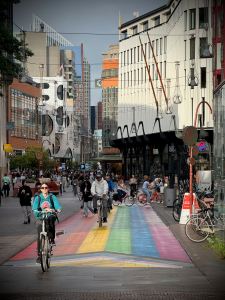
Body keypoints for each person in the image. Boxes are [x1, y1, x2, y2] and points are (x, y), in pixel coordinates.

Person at [32, 183, 62, 263]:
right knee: (39, 235)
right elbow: (34, 208)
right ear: (40, 189)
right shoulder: (38, 197)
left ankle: (51, 239)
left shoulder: (52, 197)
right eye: (43, 187)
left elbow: (57, 206)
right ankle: (39, 255)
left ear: (48, 188)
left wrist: (57, 209)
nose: (44, 189)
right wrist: (37, 211)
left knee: (51, 221)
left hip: (50, 215)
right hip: (40, 216)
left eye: (46, 187)